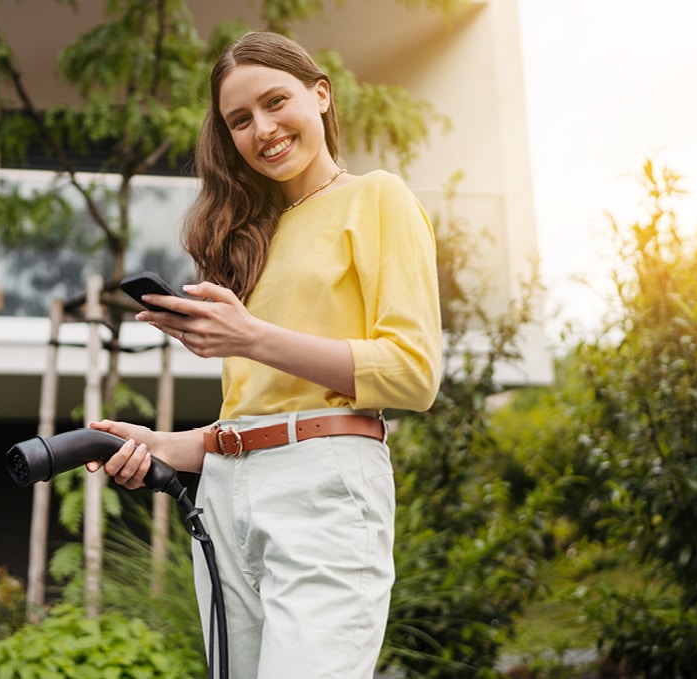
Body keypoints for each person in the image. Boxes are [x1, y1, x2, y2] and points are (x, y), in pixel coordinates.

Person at [85, 31, 442, 679]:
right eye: (240, 120)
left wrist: (250, 336)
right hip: (225, 494)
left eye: (276, 102)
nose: (263, 129)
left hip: (326, 490)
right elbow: (257, 412)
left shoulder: (376, 197)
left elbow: (413, 373)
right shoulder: (252, 237)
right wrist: (167, 445)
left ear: (322, 94)